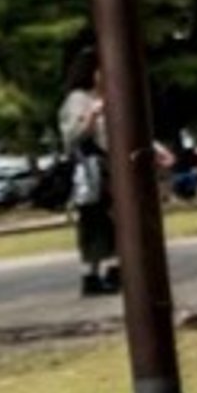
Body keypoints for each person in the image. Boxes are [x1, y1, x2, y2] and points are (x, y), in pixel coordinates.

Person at [57, 43, 117, 296]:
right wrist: (92, 117)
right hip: (91, 171)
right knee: (95, 223)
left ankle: (111, 270)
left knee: (111, 222)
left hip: (108, 168)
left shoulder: (103, 97)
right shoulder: (78, 100)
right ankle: (92, 275)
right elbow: (72, 137)